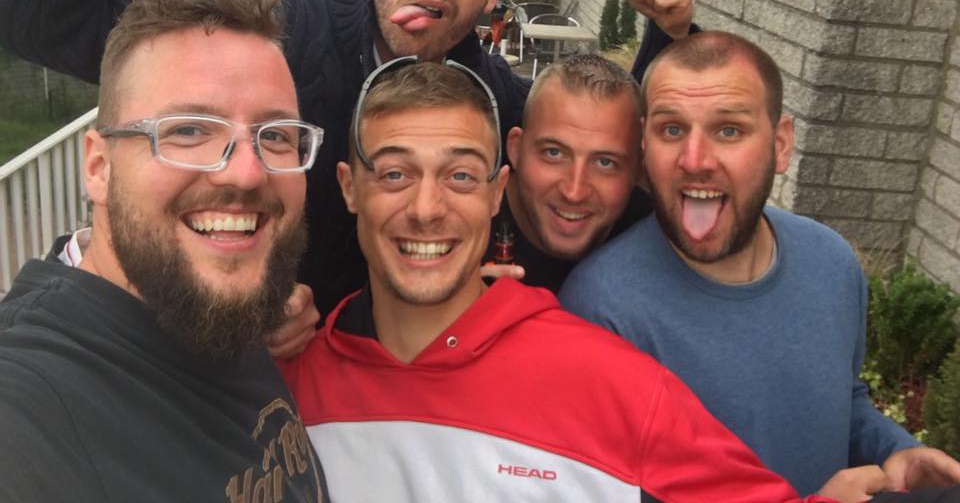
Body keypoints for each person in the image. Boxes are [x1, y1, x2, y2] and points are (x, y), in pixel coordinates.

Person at [0, 0, 693, 320]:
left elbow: (604, 181)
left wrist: (667, 38)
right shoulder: (278, 35)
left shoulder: (499, 105)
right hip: (252, 375)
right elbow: (38, 20)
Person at [277, 58, 914, 503]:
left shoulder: (615, 382)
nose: (425, 208)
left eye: (461, 175)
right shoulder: (282, 385)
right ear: (348, 188)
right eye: (394, 173)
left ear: (496, 191)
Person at [560, 31, 960, 496]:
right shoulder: (600, 311)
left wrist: (895, 449)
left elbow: (844, 404)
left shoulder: (832, 263)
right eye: (672, 130)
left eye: (729, 130)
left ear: (781, 145)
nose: (695, 160)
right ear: (645, 148)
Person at [0, 0, 328, 501]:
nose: (247, 173)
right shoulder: (31, 405)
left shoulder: (212, 312)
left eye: (275, 135)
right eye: (189, 130)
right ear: (99, 167)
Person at [481, 53, 650, 291]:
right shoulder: (462, 231)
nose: (574, 192)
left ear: (638, 170)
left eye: (605, 162)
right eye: (553, 153)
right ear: (516, 149)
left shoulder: (660, 239)